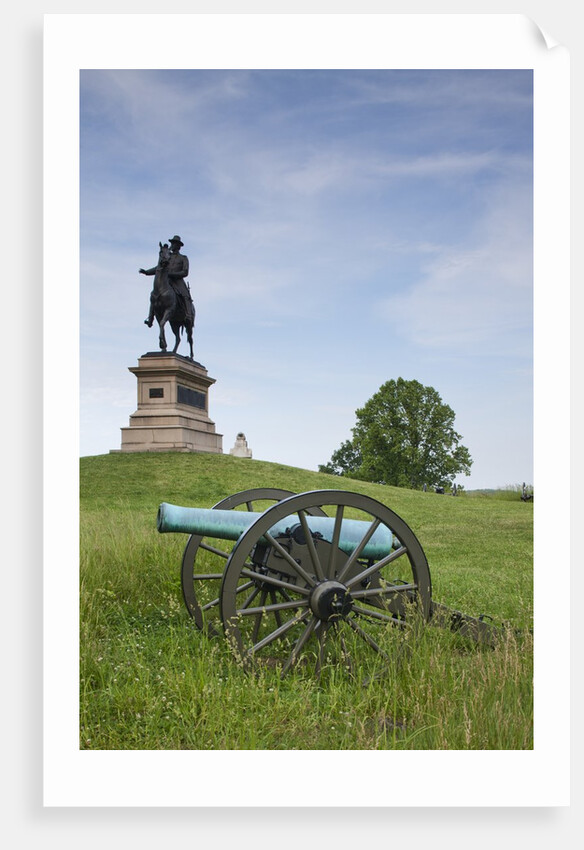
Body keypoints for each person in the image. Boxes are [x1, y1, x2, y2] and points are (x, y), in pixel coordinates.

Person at [141, 235, 194, 325]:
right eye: (172, 243)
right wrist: (146, 272)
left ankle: (188, 315)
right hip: (167, 281)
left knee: (185, 295)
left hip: (178, 281)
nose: (172, 245)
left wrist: (171, 274)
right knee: (154, 295)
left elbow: (185, 272)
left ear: (178, 246)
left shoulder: (183, 258)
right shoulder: (167, 256)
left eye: (174, 243)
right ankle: (150, 318)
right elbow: (158, 267)